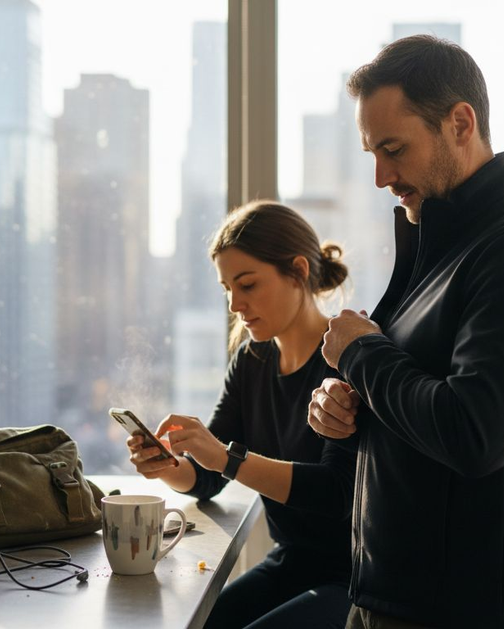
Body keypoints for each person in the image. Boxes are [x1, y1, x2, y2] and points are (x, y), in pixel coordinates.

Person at [307, 35, 504, 629]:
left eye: (393, 148)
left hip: (468, 611)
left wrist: (361, 354)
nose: (382, 175)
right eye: (372, 153)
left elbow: (471, 432)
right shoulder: (439, 242)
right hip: (393, 597)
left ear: (461, 122)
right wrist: (349, 413)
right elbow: (416, 401)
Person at [127, 200, 356, 629]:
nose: (234, 304)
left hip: (355, 580)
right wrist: (170, 466)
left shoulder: (346, 360)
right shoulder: (252, 361)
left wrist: (227, 459)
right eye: (227, 288)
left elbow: (337, 493)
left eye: (247, 285)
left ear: (299, 272)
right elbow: (209, 476)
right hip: (292, 561)